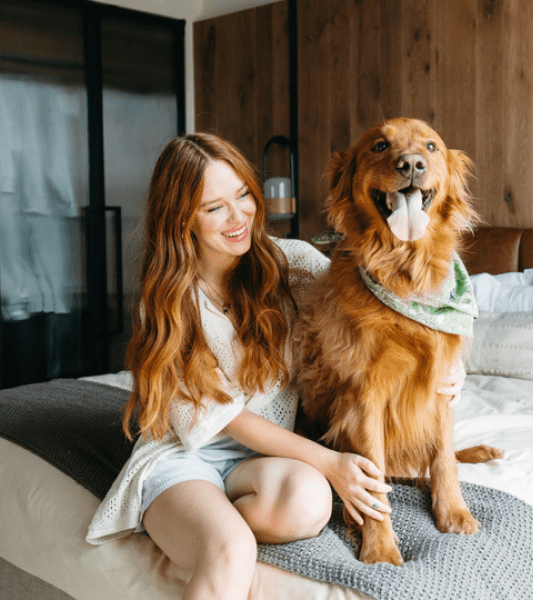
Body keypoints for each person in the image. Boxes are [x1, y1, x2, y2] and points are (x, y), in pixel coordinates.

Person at [86, 132, 466, 600]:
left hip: (263, 462)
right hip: (185, 457)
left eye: (244, 195)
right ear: (181, 218)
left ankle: (202, 523)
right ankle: (198, 523)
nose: (238, 216)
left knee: (311, 503)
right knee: (231, 550)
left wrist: (451, 366)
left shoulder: (294, 264)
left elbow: (406, 309)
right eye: (214, 208)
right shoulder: (168, 301)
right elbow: (216, 417)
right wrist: (330, 461)